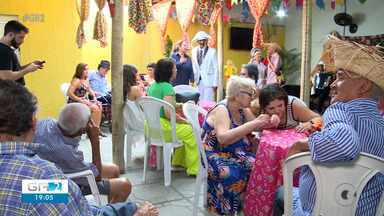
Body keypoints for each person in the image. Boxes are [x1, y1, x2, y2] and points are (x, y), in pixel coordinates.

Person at [0, 79, 158, 216]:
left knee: (114, 169)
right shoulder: (42, 178)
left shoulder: (46, 125)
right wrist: (95, 140)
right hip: (74, 178)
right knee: (128, 193)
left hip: (65, 174)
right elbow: (80, 197)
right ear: (33, 122)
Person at [273, 36, 384, 216]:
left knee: (280, 194)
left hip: (318, 211)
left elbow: (344, 144)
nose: (332, 84)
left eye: (339, 77)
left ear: (363, 86)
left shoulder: (341, 109)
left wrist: (302, 145)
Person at [202, 76, 273, 215]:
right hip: (215, 152)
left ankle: (248, 203)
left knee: (259, 165)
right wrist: (253, 124)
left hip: (234, 151)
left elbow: (258, 126)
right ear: (237, 95)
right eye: (250, 93)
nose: (253, 97)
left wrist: (269, 119)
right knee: (230, 173)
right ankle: (226, 208)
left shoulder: (242, 109)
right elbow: (222, 139)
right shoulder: (222, 109)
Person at [33, 103, 132, 203]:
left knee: (114, 169)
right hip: (58, 188)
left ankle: (109, 207)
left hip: (46, 174)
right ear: (83, 130)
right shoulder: (67, 153)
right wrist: (95, 141)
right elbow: (96, 177)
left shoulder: (46, 122)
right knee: (125, 185)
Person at [147, 58, 199, 176]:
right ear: (168, 71)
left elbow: (163, 104)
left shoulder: (153, 86)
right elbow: (168, 113)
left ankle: (178, 163)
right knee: (192, 130)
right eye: (175, 68)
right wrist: (186, 121)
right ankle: (195, 169)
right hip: (163, 128)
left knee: (183, 131)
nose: (176, 70)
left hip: (152, 127)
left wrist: (182, 105)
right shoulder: (168, 87)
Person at [0, 20, 42, 85]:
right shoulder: (3, 51)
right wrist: (27, 70)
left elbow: (14, 71)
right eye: (21, 37)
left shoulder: (6, 49)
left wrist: (30, 65)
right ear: (10, 34)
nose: (22, 41)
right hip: (11, 93)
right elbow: (7, 77)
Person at [67, 63, 102, 132]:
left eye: (87, 69)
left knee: (99, 105)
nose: (87, 71)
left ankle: (96, 129)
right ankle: (93, 131)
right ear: (80, 71)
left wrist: (94, 95)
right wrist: (80, 100)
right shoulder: (77, 80)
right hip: (75, 102)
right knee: (95, 108)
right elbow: (69, 93)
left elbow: (90, 90)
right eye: (85, 69)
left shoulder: (86, 80)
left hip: (83, 101)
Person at [191, 31, 218, 102]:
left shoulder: (213, 51)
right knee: (199, 101)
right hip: (198, 81)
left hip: (209, 82)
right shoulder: (194, 51)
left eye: (203, 40)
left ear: (206, 40)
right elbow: (194, 66)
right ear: (197, 41)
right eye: (199, 40)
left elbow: (216, 68)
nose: (201, 42)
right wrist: (193, 79)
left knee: (208, 102)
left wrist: (215, 83)